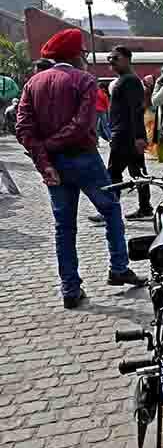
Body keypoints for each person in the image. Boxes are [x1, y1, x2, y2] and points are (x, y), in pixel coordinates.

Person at [15, 28, 145, 308]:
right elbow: (82, 126)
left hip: (54, 166)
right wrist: (50, 146)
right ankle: (119, 267)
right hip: (84, 159)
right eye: (84, 53)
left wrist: (43, 158)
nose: (86, 59)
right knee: (111, 210)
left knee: (64, 227)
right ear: (75, 55)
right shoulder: (84, 80)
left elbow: (23, 128)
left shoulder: (33, 84)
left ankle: (70, 288)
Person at [106, 46, 153, 219]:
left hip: (126, 135)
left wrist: (139, 137)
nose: (111, 61)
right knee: (138, 172)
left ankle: (110, 210)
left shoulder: (130, 81)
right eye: (109, 58)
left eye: (115, 58)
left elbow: (136, 110)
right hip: (126, 134)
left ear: (127, 59)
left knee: (113, 173)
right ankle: (145, 207)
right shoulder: (126, 79)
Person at [142, 75, 158, 160]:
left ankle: (151, 151)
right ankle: (154, 151)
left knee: (149, 132)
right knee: (153, 132)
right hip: (155, 113)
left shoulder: (145, 90)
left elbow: (145, 103)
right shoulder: (156, 90)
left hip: (148, 113)